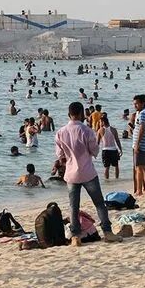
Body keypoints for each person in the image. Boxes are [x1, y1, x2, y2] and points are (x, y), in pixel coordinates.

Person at [54, 101, 122, 245]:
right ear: (81, 114)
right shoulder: (87, 131)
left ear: (69, 114)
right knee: (99, 203)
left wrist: (69, 160)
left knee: (74, 207)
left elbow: (60, 156)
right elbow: (95, 151)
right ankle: (107, 232)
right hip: (88, 172)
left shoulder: (60, 133)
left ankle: (76, 236)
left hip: (71, 174)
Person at [96, 115, 122, 179]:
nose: (99, 123)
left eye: (100, 122)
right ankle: (117, 179)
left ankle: (107, 182)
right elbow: (117, 140)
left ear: (103, 122)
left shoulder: (100, 130)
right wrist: (120, 149)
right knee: (116, 166)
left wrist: (95, 152)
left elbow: (97, 143)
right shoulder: (113, 129)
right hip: (114, 150)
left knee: (106, 167)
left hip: (105, 151)